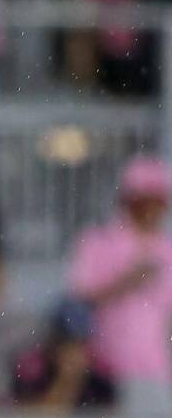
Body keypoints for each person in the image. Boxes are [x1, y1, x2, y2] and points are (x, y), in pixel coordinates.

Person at [67, 156, 172, 417]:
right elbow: (79, 298)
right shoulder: (99, 240)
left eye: (159, 200)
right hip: (105, 371)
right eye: (146, 199)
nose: (154, 208)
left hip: (155, 370)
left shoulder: (166, 248)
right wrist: (125, 282)